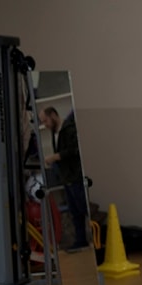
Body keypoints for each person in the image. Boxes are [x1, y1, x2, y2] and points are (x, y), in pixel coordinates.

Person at [38, 106, 89, 248]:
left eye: (45, 121)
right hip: (67, 178)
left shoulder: (69, 129)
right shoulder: (55, 132)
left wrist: (55, 157)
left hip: (75, 176)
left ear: (53, 115)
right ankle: (80, 241)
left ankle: (87, 240)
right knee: (75, 212)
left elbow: (75, 150)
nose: (45, 125)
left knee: (82, 208)